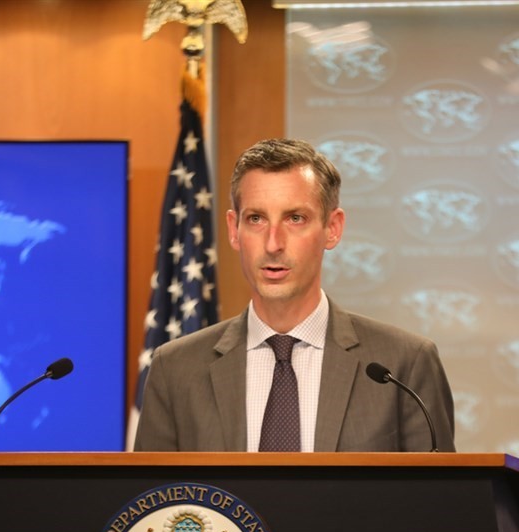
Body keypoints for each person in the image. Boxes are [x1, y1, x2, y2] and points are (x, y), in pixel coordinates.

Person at [134, 138, 455, 452]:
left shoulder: (405, 364)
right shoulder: (175, 369)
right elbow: (155, 489)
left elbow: (437, 488)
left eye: (295, 218)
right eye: (256, 219)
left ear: (333, 228)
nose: (273, 243)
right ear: (234, 229)